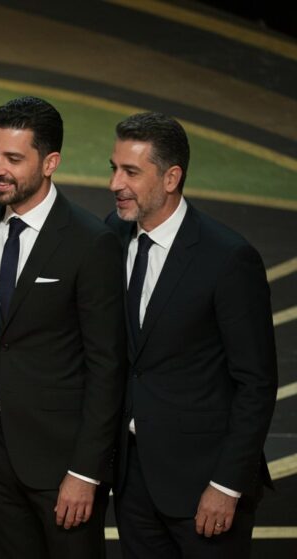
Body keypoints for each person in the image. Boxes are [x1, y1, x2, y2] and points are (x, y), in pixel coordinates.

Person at [107, 112, 277, 559]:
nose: (115, 184)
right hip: (133, 481)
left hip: (205, 486)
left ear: (171, 178)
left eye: (131, 172)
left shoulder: (228, 258)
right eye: (114, 168)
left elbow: (256, 383)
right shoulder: (111, 236)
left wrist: (226, 485)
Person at [0, 96, 126, 559]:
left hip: (62, 466)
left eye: (13, 159)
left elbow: (107, 367)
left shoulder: (91, 241)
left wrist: (86, 472)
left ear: (50, 163)